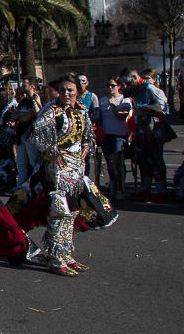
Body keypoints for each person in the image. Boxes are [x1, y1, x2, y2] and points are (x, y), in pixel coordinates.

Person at [9, 74, 117, 276]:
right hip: (56, 171)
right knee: (60, 213)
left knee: (71, 213)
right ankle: (56, 256)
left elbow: (88, 135)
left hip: (76, 169)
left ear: (78, 91)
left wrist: (86, 146)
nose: (66, 94)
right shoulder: (53, 111)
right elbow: (33, 135)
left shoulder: (82, 111)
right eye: (63, 89)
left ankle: (63, 253)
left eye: (70, 90)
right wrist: (51, 150)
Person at [125, 68, 172, 202]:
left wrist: (144, 109)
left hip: (152, 130)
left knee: (156, 160)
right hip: (141, 130)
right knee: (144, 161)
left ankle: (159, 191)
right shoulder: (135, 90)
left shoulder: (150, 88)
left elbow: (163, 106)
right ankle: (145, 189)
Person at [99, 77, 132, 198]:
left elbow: (122, 117)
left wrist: (113, 105)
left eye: (112, 85)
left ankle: (121, 186)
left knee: (118, 161)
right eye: (108, 86)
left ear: (119, 86)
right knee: (109, 162)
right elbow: (100, 118)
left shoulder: (124, 100)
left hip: (119, 134)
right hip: (106, 134)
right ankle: (113, 184)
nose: (110, 88)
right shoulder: (102, 100)